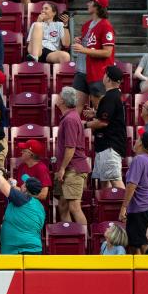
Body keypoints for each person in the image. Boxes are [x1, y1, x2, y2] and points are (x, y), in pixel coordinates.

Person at [70, 0, 116, 108]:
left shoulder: (106, 26)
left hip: (97, 73)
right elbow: (91, 43)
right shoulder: (87, 25)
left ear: (97, 6)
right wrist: (81, 40)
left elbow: (107, 52)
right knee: (74, 109)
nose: (87, 4)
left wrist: (84, 49)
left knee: (99, 111)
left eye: (90, 2)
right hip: (81, 71)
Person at [119, 130, 148, 255]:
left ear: (141, 143)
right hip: (147, 207)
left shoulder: (139, 160)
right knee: (138, 245)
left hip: (140, 209)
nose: (135, 141)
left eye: (138, 139)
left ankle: (146, 273)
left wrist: (123, 207)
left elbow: (132, 185)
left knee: (141, 245)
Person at [54, 86, 90, 225]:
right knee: (63, 206)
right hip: (69, 168)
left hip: (72, 169)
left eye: (59, 95)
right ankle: (68, 235)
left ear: (62, 100)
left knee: (74, 207)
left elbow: (70, 147)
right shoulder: (70, 117)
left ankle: (84, 242)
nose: (56, 97)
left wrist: (62, 168)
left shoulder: (70, 120)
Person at [86, 66, 126, 189]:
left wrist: (84, 124)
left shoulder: (110, 97)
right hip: (105, 146)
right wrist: (96, 113)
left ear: (108, 78)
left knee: (115, 181)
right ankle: (110, 207)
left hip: (110, 146)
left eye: (105, 74)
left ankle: (127, 208)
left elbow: (103, 122)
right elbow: (109, 117)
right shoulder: (114, 95)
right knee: (105, 183)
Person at [0, 169, 44, 255]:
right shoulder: (39, 206)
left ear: (25, 188)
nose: (22, 185)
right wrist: (13, 186)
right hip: (33, 249)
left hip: (19, 250)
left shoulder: (22, 199)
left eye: (23, 184)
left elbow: (2, 185)